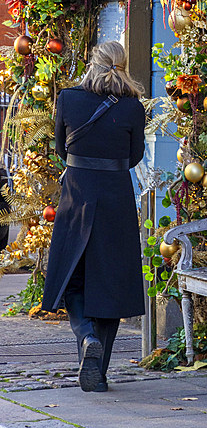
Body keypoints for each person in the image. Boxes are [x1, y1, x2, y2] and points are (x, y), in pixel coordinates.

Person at [42, 41, 146, 392]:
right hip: (115, 197)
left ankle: (86, 335)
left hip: (77, 194)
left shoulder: (69, 99)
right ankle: (98, 374)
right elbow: (134, 157)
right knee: (111, 283)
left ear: (93, 63)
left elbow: (61, 147)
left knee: (72, 275)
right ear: (122, 65)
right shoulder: (133, 107)